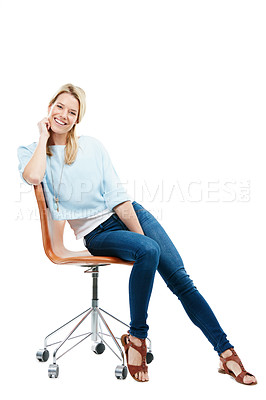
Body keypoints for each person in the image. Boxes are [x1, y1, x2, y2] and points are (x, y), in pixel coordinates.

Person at [17, 83, 257, 384]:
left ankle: (226, 353)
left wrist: (143, 240)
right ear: (50, 107)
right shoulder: (32, 151)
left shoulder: (92, 146)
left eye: (72, 112)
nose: (64, 115)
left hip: (131, 214)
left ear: (78, 119)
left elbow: (119, 197)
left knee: (181, 280)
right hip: (96, 233)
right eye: (60, 107)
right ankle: (137, 338)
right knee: (149, 250)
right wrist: (43, 136)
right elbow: (34, 176)